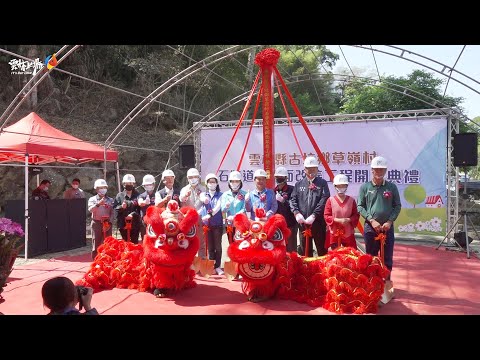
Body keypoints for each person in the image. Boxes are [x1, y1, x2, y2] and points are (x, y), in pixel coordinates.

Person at [357, 156, 401, 291]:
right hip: (371, 228)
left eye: (382, 169)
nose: (379, 172)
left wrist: (389, 221)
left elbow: (397, 206)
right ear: (372, 170)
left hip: (387, 228)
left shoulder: (391, 187)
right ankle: (371, 282)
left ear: (386, 170)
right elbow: (360, 206)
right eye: (377, 169)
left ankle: (387, 283)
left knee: (387, 256)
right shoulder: (365, 187)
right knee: (370, 255)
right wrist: (371, 220)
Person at [290, 156, 330, 257]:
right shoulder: (299, 184)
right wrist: (296, 213)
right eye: (309, 168)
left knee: (322, 250)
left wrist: (314, 215)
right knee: (305, 251)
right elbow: (293, 199)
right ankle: (307, 272)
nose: (312, 170)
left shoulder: (322, 183)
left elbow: (324, 199)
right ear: (305, 170)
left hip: (318, 223)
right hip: (303, 223)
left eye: (314, 168)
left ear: (317, 169)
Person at [324, 174, 360, 250]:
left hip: (348, 234)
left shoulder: (351, 200)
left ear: (347, 186)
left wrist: (348, 220)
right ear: (335, 186)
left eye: (343, 186)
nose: (341, 188)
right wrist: (337, 220)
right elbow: (326, 215)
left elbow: (356, 215)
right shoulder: (330, 200)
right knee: (334, 258)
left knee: (349, 256)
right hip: (334, 234)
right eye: (339, 186)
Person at [199, 173, 224, 275]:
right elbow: (201, 203)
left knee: (218, 246)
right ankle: (211, 266)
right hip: (207, 226)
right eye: (209, 182)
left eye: (213, 182)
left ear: (217, 183)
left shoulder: (221, 195)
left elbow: (218, 207)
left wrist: (209, 215)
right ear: (206, 184)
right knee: (210, 247)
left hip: (217, 224)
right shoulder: (204, 195)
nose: (211, 184)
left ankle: (218, 266)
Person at [179, 168, 206, 260]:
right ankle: (190, 260)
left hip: (200, 217)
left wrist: (200, 211)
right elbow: (181, 199)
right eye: (191, 177)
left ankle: (202, 260)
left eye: (195, 177)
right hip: (188, 218)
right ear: (187, 178)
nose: (193, 179)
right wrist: (185, 196)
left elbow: (206, 203)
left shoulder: (203, 188)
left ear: (198, 177)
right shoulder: (184, 189)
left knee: (201, 240)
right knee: (188, 239)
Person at [87, 179, 114, 260]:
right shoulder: (92, 199)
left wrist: (110, 222)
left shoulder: (110, 200)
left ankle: (108, 260)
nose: (103, 189)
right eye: (100, 187)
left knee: (108, 243)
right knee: (96, 243)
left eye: (104, 187)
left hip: (107, 223)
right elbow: (90, 210)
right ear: (96, 189)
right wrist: (98, 204)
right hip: (97, 223)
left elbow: (113, 212)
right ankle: (95, 262)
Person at [273, 166, 298, 253]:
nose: (279, 179)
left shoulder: (292, 189)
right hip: (277, 226)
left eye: (281, 177)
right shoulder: (273, 191)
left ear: (286, 178)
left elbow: (294, 205)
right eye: (277, 177)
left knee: (291, 249)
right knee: (279, 248)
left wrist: (284, 201)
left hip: (290, 224)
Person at [114, 173, 141, 244]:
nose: (129, 185)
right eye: (127, 183)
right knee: (125, 243)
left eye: (130, 183)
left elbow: (140, 209)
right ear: (123, 184)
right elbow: (115, 209)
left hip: (135, 224)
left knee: (134, 243)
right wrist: (121, 207)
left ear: (134, 184)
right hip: (123, 224)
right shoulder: (119, 196)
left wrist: (133, 214)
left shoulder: (138, 195)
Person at [138, 174, 157, 242]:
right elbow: (140, 203)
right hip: (144, 222)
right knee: (145, 240)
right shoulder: (142, 195)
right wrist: (145, 202)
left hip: (155, 221)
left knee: (155, 239)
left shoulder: (157, 195)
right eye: (147, 185)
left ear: (154, 184)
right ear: (144, 186)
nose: (149, 186)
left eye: (150, 184)